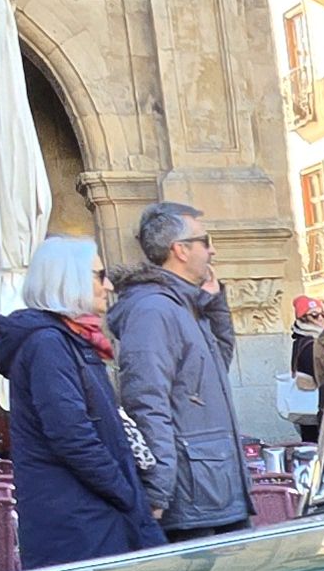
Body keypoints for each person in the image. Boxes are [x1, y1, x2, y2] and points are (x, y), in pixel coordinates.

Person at [0, 234, 163, 569]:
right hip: (79, 523)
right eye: (98, 275)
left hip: (90, 515)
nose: (108, 284)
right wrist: (126, 493)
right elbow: (72, 436)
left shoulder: (71, 341)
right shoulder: (49, 344)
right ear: (68, 280)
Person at [109, 200, 256, 540]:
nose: (213, 251)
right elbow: (146, 402)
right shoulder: (153, 310)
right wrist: (158, 489)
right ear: (180, 250)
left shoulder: (184, 306)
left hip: (213, 487)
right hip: (191, 497)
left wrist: (214, 303)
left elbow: (217, 367)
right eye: (205, 241)